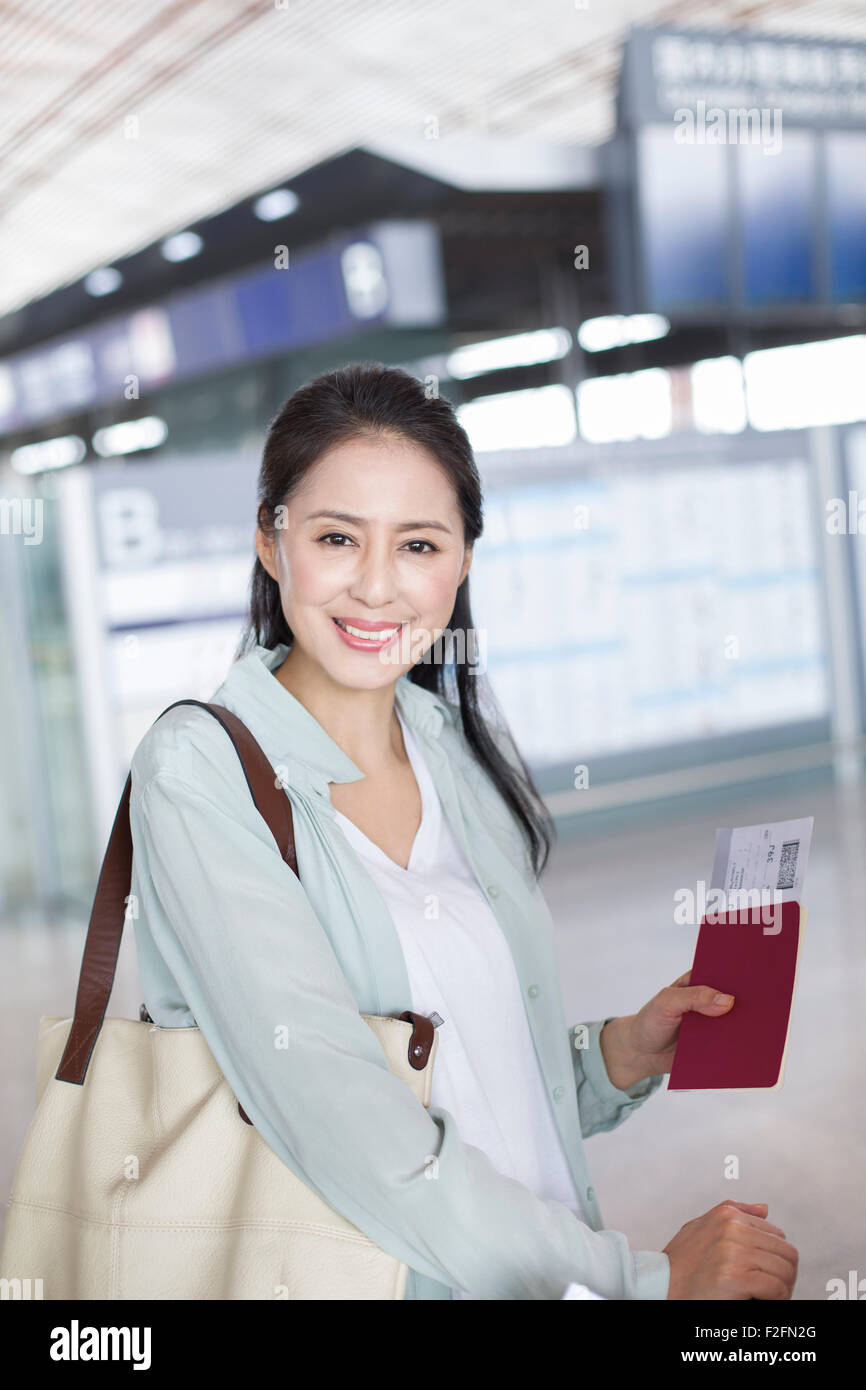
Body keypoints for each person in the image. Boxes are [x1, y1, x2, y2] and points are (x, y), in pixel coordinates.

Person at [128, 362, 798, 1300]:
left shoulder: (453, 751)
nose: (376, 588)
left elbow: (473, 1074)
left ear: (465, 558)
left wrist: (618, 1055)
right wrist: (640, 1281)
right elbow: (345, 1121)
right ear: (271, 545)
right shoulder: (199, 775)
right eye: (334, 537)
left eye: (418, 545)